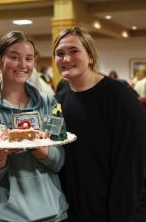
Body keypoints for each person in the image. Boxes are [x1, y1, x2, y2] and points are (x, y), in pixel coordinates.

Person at [0, 31, 68, 222]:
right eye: (14, 57)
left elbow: (58, 162)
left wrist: (36, 146)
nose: (23, 65)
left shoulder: (49, 104)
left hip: (53, 213)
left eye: (29, 58)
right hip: (4, 215)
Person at [53, 27, 146, 222]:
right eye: (60, 53)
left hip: (115, 210)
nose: (66, 59)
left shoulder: (119, 97)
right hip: (71, 210)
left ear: (91, 57)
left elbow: (133, 163)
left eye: (74, 51)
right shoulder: (57, 102)